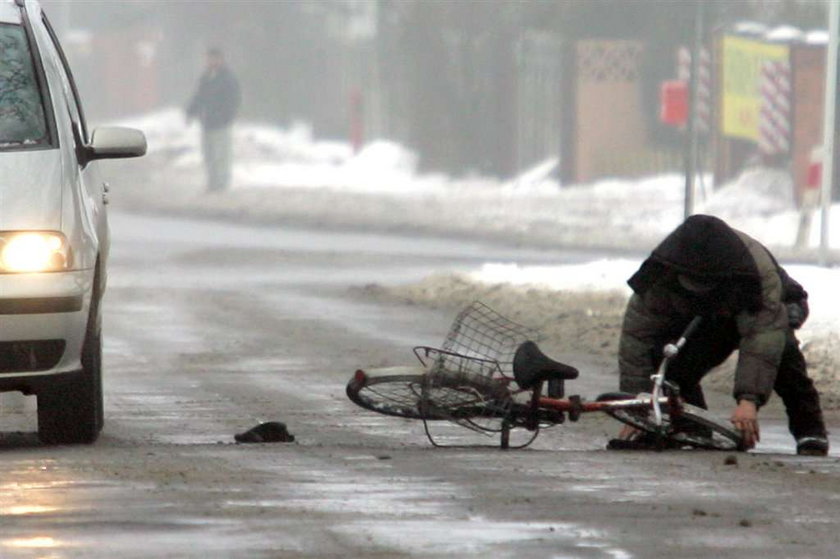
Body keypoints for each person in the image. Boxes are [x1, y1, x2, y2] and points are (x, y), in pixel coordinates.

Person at [610, 214, 828, 456]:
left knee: (783, 354)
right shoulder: (659, 274)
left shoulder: (755, 271)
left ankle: (810, 432)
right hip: (706, 318)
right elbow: (637, 341)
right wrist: (639, 412)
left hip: (769, 308)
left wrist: (748, 401)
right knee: (672, 360)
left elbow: (761, 339)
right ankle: (691, 425)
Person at [186, 48, 241, 192]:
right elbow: (199, 96)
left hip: (221, 124)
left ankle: (222, 185)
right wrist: (191, 112)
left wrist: (226, 117)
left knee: (221, 155)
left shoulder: (228, 78)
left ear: (221, 59)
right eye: (208, 58)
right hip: (207, 122)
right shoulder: (206, 78)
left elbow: (233, 100)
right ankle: (212, 184)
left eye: (214, 58)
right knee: (209, 155)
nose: (210, 61)